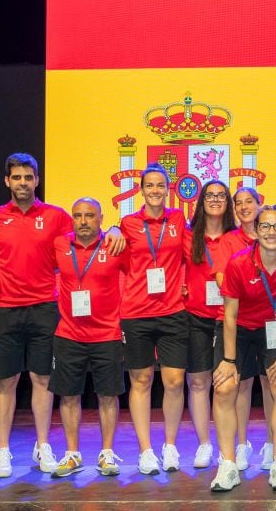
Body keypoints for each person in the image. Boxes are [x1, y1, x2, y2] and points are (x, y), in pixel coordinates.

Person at [0, 153, 125, 477]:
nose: (23, 183)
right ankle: (3, 450)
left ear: (37, 180)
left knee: (42, 379)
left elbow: (90, 230)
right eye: (17, 177)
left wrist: (113, 227)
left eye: (29, 177)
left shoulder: (56, 216)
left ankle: (43, 445)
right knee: (6, 380)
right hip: (4, 310)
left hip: (45, 308)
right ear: (7, 181)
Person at [209, 205, 276, 492]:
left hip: (274, 327)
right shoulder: (239, 263)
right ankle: (228, 465)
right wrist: (228, 360)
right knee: (225, 387)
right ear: (255, 230)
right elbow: (229, 314)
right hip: (237, 328)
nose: (271, 232)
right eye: (265, 226)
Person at [48, 198, 127, 478]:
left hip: (107, 333)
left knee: (107, 396)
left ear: (101, 218)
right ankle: (72, 454)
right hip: (69, 334)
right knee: (69, 396)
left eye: (90, 216)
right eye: (78, 215)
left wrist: (117, 229)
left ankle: (106, 453)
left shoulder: (115, 245)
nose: (83, 221)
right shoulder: (59, 245)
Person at [120, 162, 189, 474]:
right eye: (150, 185)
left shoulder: (178, 218)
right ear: (142, 189)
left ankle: (170, 445)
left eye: (161, 185)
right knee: (142, 379)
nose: (155, 190)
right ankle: (145, 450)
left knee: (174, 381)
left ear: (168, 189)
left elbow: (192, 253)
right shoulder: (127, 223)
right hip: (136, 312)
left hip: (173, 310)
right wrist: (110, 230)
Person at [182, 180, 248, 469]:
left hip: (228, 319)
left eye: (222, 195)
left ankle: (231, 447)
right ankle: (204, 444)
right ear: (201, 201)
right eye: (210, 195)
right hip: (195, 316)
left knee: (228, 384)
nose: (216, 199)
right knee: (198, 381)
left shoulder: (237, 237)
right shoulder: (187, 236)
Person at [227, 186, 274, 471]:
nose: (244, 207)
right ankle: (241, 444)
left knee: (272, 384)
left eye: (249, 201)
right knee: (242, 385)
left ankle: (271, 443)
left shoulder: (273, 234)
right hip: (242, 324)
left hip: (271, 324)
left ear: (260, 204)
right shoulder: (229, 240)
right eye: (239, 203)